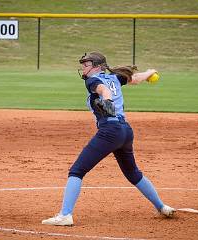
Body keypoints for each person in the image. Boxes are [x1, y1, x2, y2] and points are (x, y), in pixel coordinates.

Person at [42, 52, 175, 226]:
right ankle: (162, 207)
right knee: (133, 173)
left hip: (110, 131)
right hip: (125, 131)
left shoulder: (93, 81)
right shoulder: (114, 77)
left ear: (96, 66)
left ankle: (65, 215)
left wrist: (107, 100)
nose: (83, 67)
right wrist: (150, 72)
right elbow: (135, 78)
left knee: (77, 171)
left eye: (86, 64)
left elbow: (103, 90)